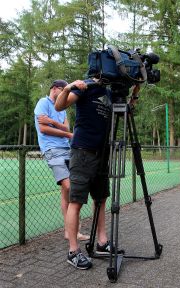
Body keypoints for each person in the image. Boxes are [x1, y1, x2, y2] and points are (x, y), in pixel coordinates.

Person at [55, 78, 139, 270]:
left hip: (102, 155)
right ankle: (73, 251)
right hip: (82, 152)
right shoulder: (85, 87)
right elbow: (60, 106)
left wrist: (134, 93)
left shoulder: (108, 94)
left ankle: (102, 243)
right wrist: (68, 87)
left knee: (100, 200)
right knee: (75, 202)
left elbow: (125, 114)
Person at [34, 79, 90, 241]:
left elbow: (66, 127)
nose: (67, 93)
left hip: (67, 149)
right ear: (55, 89)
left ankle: (69, 231)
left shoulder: (62, 107)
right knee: (71, 187)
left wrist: (52, 122)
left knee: (66, 192)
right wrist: (64, 132)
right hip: (52, 150)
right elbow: (43, 129)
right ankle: (75, 231)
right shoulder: (43, 102)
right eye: (64, 89)